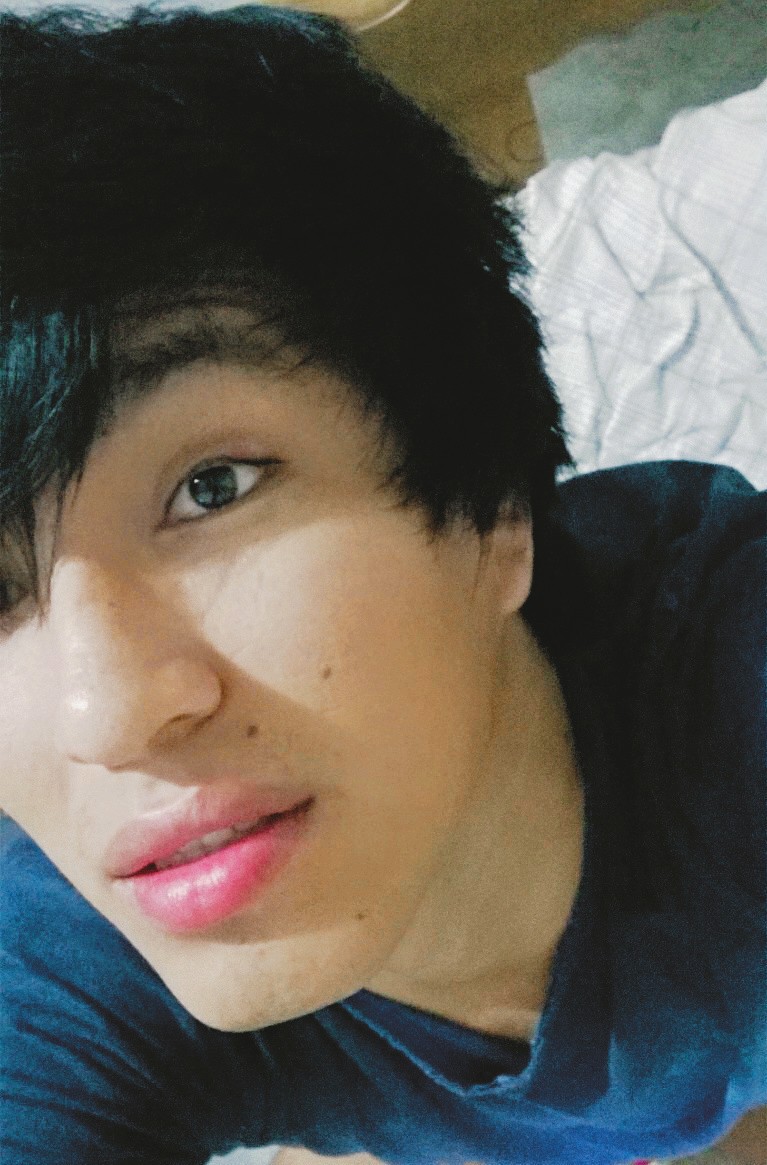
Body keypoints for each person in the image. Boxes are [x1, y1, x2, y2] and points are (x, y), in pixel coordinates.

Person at [0, 7, 764, 1165]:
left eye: (211, 487)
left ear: (493, 503)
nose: (105, 718)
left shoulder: (725, 689)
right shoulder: (82, 957)